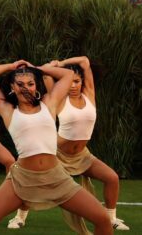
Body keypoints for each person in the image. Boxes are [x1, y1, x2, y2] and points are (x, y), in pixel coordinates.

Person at [0, 60, 112, 235]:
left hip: (56, 176)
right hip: (22, 178)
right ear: (12, 87)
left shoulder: (49, 102)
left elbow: (67, 75)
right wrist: (12, 66)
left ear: (36, 85)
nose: (26, 88)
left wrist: (36, 69)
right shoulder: (7, 109)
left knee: (102, 219)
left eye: (30, 84)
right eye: (20, 84)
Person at [35, 57, 127, 230]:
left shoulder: (89, 94)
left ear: (82, 81)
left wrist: (61, 64)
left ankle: (111, 218)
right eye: (69, 81)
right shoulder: (60, 98)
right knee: (35, 185)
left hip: (82, 155)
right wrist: (54, 66)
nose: (72, 85)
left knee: (112, 178)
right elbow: (46, 73)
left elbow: (84, 61)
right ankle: (20, 216)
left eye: (76, 81)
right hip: (58, 155)